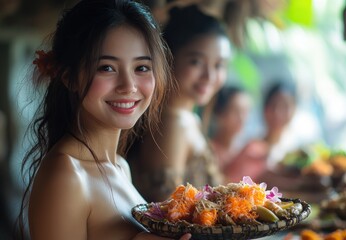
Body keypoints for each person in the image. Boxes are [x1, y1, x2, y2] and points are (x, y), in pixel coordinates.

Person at [16, 1, 192, 239]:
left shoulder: (120, 166)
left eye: (141, 67)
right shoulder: (66, 174)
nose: (128, 86)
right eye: (107, 68)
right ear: (70, 77)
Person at [126, 5, 231, 202]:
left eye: (219, 65)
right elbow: (168, 213)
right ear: (169, 59)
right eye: (196, 62)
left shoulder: (187, 117)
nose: (210, 76)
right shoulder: (172, 123)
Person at [209, 85, 268, 183]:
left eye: (245, 111)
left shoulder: (252, 148)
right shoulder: (210, 151)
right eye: (235, 111)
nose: (241, 118)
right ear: (219, 114)